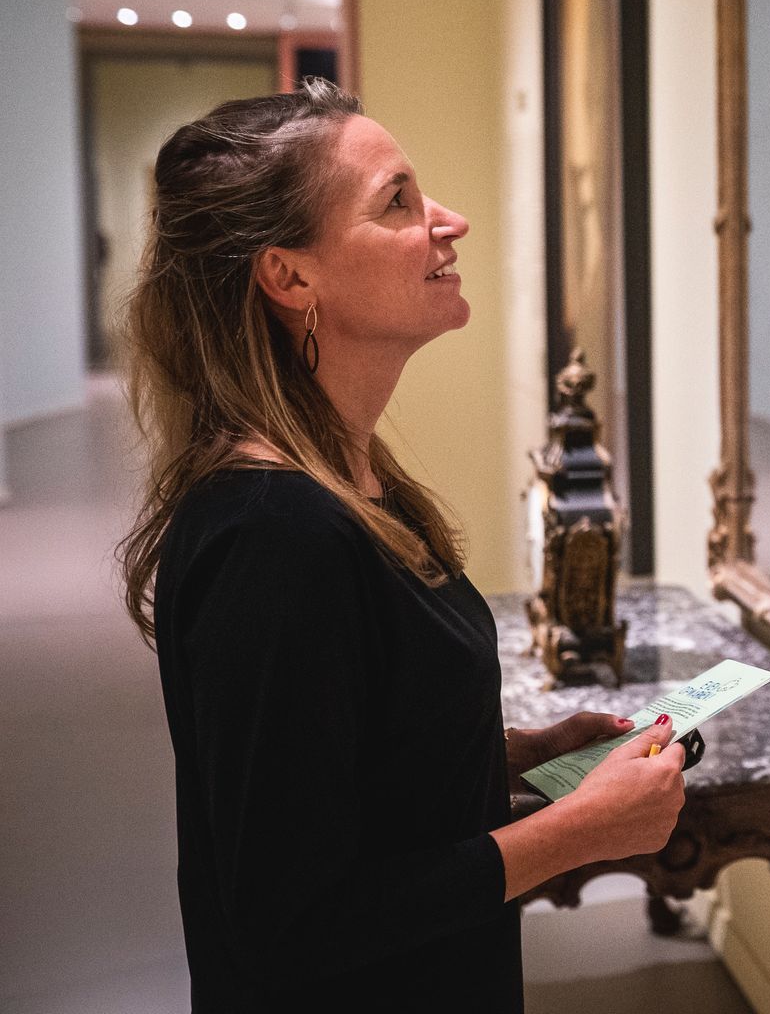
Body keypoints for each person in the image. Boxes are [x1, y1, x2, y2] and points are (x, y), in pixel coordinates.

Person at [117, 80, 686, 1012]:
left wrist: (513, 756)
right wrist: (578, 832)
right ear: (289, 277)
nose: (448, 222)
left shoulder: (353, 483)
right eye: (398, 201)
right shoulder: (273, 539)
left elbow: (347, 759)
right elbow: (289, 924)